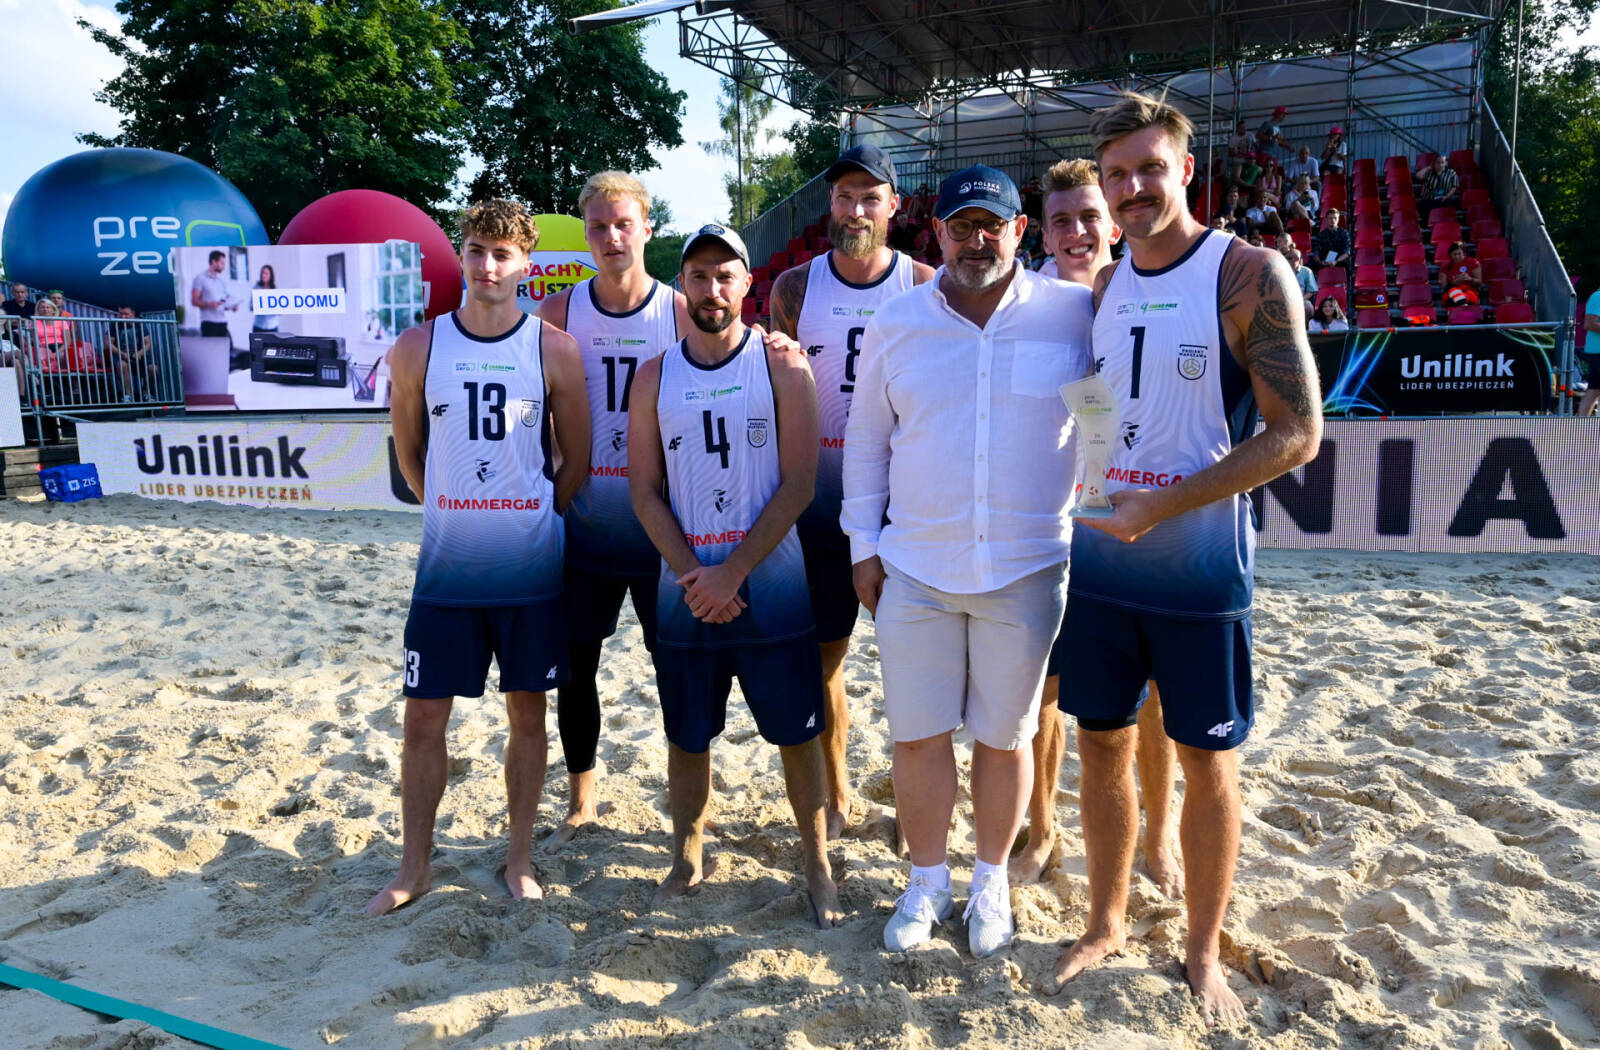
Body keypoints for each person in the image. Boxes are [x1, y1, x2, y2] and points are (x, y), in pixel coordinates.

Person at [1044, 92, 1322, 1027]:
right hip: (1104, 565)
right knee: (1102, 744)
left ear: (1186, 169)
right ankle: (1106, 921)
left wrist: (1157, 505)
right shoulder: (1104, 286)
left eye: (1149, 168)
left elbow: (1298, 434)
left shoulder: (1245, 273)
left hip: (1202, 570)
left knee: (1207, 761)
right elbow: (1099, 399)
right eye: (1116, 173)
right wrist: (1097, 488)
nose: (1132, 187)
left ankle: (1201, 951)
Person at [843, 165, 1093, 957]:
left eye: (992, 226)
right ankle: (926, 883)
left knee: (1005, 738)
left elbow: (1102, 428)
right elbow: (866, 440)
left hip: (1027, 567)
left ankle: (990, 882)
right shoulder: (898, 321)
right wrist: (862, 546)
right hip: (915, 565)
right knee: (917, 737)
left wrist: (1099, 520)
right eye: (961, 227)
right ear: (937, 233)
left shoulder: (1072, 313)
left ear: (1020, 230)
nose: (976, 241)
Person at [366, 199, 591, 917]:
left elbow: (577, 459)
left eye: (502, 253)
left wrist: (534, 515)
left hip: (529, 569)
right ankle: (413, 867)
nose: (487, 265)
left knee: (528, 716)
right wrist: (449, 508)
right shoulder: (417, 346)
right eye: (476, 250)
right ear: (461, 255)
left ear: (526, 263)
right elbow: (409, 453)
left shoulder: (554, 348)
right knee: (422, 721)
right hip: (447, 568)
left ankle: (518, 858)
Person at [627, 223, 841, 928]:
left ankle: (817, 862)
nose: (712, 289)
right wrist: (697, 574)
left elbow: (800, 484)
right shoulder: (654, 375)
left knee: (796, 734)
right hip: (685, 591)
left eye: (726, 275)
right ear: (682, 285)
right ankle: (686, 854)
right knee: (687, 735)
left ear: (748, 284)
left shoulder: (782, 366)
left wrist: (734, 572)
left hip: (770, 585)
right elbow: (644, 492)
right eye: (699, 275)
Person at [1016, 156, 1182, 900]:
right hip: (1051, 525)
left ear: (1112, 222)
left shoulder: (1144, 290)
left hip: (1135, 518)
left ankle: (1159, 834)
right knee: (1043, 694)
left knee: (1151, 695)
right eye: (1062, 220)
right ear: (1044, 232)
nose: (1077, 231)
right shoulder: (1029, 303)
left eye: (1089, 216)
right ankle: (1042, 830)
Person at [769, 144, 934, 839]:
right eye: (844, 196)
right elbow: (777, 402)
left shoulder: (924, 284)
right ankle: (837, 795)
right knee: (825, 659)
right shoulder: (794, 289)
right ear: (829, 204)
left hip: (904, 508)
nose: (856, 209)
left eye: (871, 196)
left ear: (894, 204)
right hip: (818, 509)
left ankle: (917, 804)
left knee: (916, 670)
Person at [535, 171, 690, 849]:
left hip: (665, 531)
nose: (611, 237)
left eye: (623, 223)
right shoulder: (558, 313)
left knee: (678, 670)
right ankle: (581, 800)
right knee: (575, 669)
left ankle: (687, 801)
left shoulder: (679, 312)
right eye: (598, 226)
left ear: (647, 229)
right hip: (585, 524)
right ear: (585, 234)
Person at [190, 249, 240, 368]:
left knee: (225, 355)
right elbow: (194, 301)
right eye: (222, 263)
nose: (224, 266)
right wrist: (210, 304)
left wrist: (232, 306)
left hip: (222, 323)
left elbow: (224, 302)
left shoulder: (221, 282)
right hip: (209, 324)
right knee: (210, 357)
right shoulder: (200, 278)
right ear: (213, 262)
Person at [108, 304, 157, 401]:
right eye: (120, 314)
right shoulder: (114, 324)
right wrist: (122, 354)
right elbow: (108, 343)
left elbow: (148, 343)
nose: (123, 317)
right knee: (121, 365)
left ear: (133, 314)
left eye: (126, 314)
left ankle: (146, 393)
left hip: (140, 358)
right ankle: (128, 396)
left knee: (153, 369)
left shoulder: (139, 323)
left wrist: (139, 353)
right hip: (122, 358)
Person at [1579, 285, 1600, 416]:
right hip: (1597, 352)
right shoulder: (1598, 297)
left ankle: (1581, 425)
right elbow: (1589, 323)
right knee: (1593, 391)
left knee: (1593, 390)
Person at [1286, 249, 1317, 314]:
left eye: (1289, 258)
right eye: (1286, 257)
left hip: (1301, 299)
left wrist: (1301, 299)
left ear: (1298, 259)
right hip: (1285, 298)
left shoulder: (1307, 271)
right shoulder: (1281, 270)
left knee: (1308, 307)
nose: (1287, 260)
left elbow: (1311, 291)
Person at [252, 265, 280, 333]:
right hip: (259, 326)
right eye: (262, 273)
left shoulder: (275, 289)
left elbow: (279, 309)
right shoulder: (256, 288)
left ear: (271, 275)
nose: (263, 275)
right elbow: (251, 306)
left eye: (266, 273)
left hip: (272, 326)